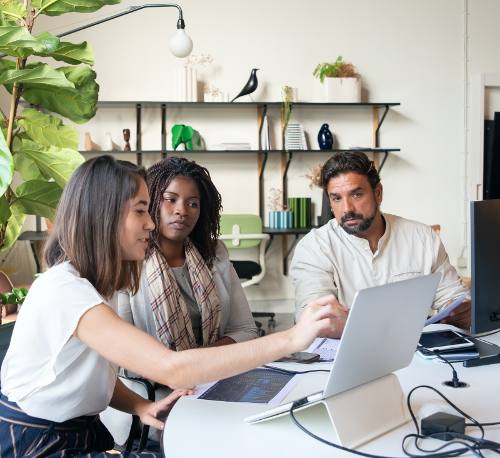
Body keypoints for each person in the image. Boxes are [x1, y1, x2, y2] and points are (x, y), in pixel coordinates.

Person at [0, 155, 345, 457]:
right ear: (104, 217)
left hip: (77, 432)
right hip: (37, 442)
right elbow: (171, 368)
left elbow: (91, 372)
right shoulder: (66, 290)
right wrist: (291, 339)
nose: (151, 222)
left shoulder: (95, 283)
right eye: (140, 211)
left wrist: (139, 405)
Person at [114, 157, 258, 444]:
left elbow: (246, 331)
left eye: (193, 203)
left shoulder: (214, 253)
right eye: (170, 199)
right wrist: (181, 369)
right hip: (157, 398)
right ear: (151, 201)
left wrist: (199, 366)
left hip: (217, 384)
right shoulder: (128, 259)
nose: (182, 210)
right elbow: (121, 361)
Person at [290, 151, 470, 339]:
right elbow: (314, 320)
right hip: (344, 358)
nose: (347, 209)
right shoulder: (314, 248)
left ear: (378, 193)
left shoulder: (423, 238)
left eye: (357, 194)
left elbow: (454, 297)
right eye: (336, 198)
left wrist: (460, 310)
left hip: (415, 355)